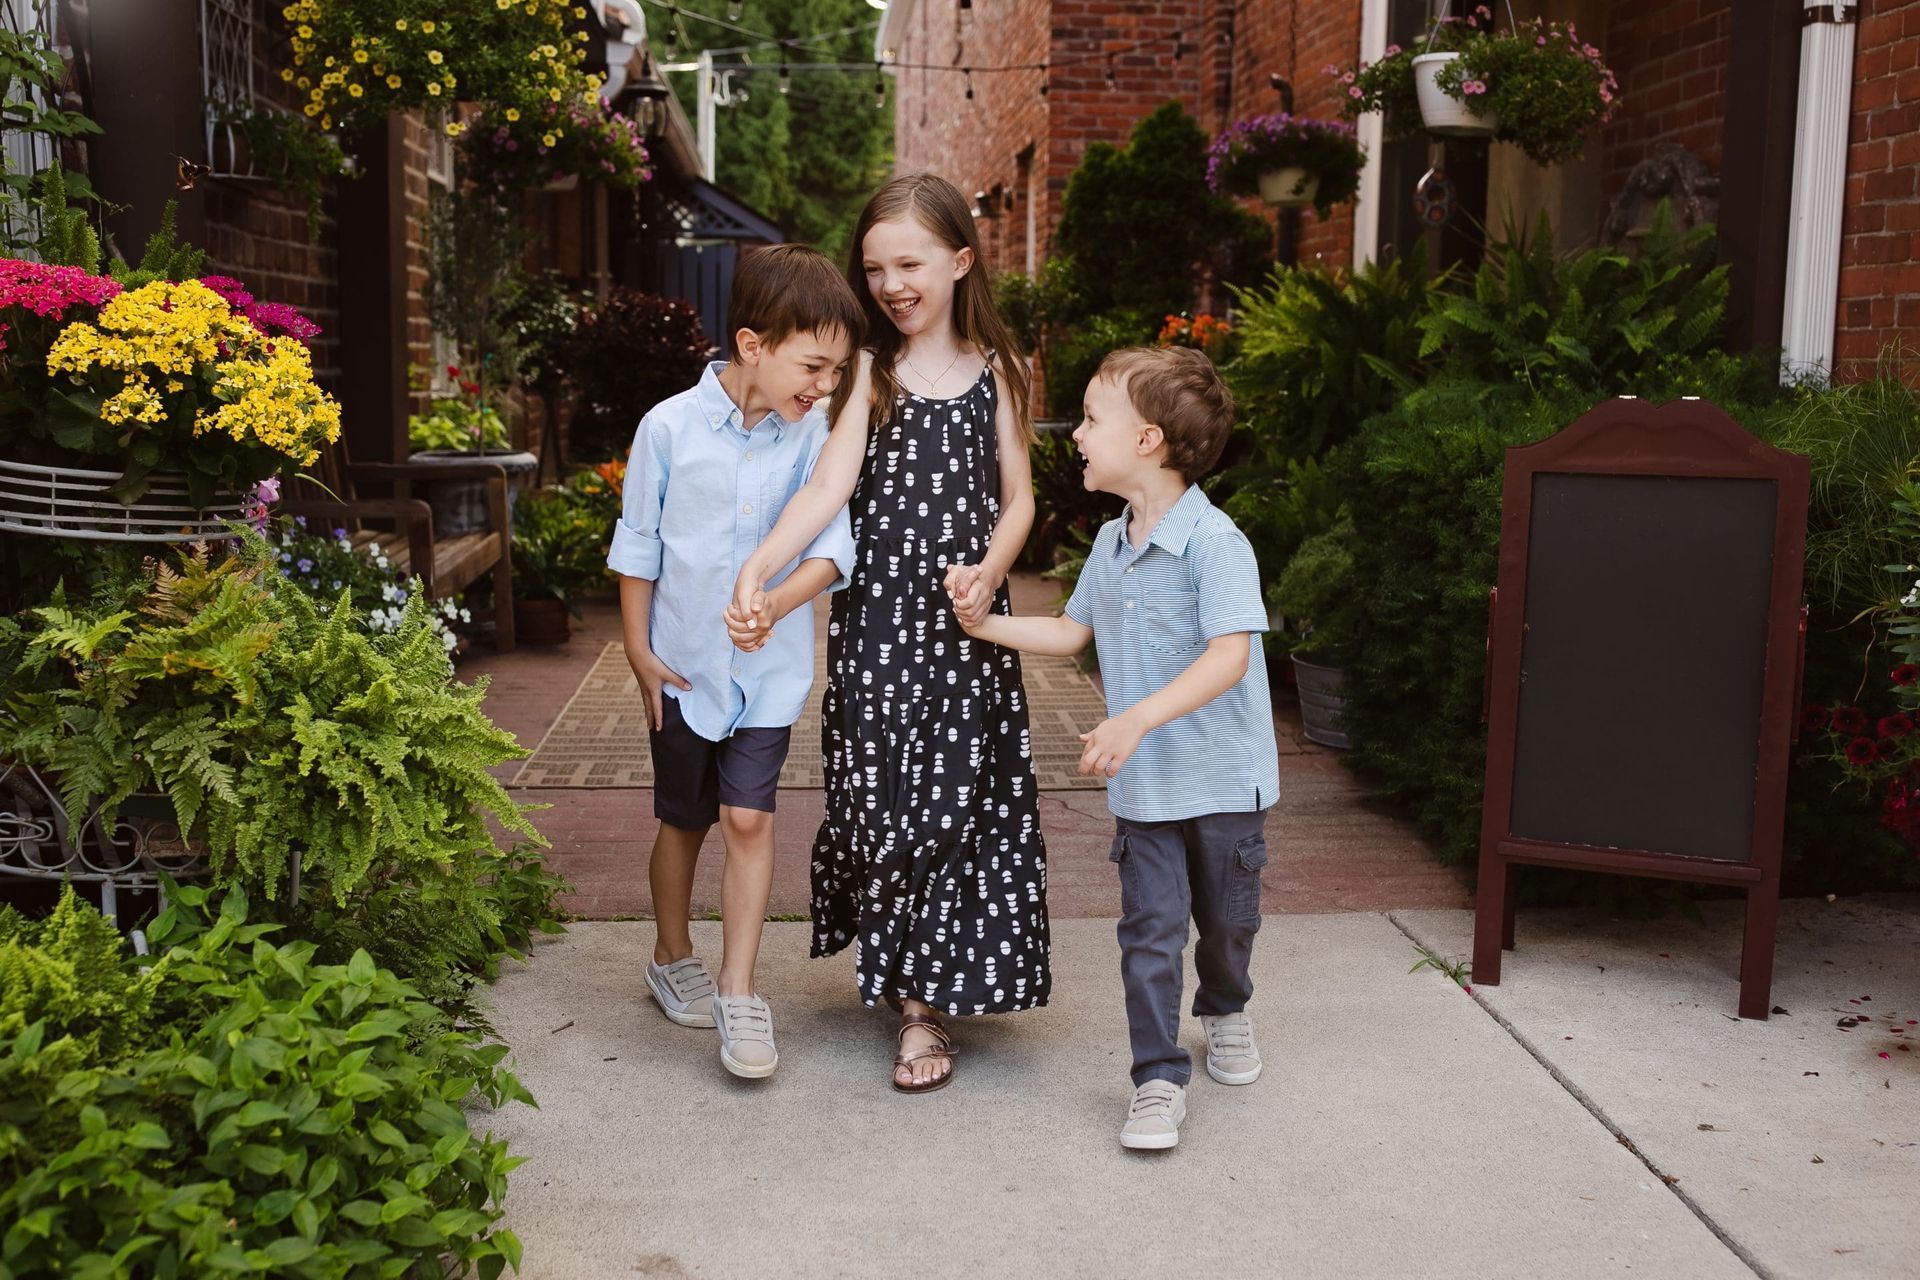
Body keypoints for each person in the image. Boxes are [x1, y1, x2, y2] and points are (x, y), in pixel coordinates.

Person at [726, 174, 1049, 1093]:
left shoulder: (1002, 369)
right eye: (874, 268)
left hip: (969, 626)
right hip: (879, 631)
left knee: (960, 805)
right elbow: (828, 491)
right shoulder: (867, 371)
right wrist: (763, 572)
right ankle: (912, 991)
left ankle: (924, 1009)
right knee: (885, 802)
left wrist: (991, 568)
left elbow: (1019, 496)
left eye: (909, 262)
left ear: (959, 258)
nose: (891, 283)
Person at [948, 346, 1280, 1149]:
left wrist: (1135, 719)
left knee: (1229, 927)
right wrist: (981, 623)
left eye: (1094, 419)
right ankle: (1158, 1078)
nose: (1080, 435)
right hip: (1147, 790)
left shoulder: (1215, 543)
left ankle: (1226, 1007)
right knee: (1151, 933)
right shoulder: (1110, 544)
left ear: (1149, 441)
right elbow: (1070, 632)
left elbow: (1228, 656)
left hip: (1226, 782)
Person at [608, 243, 863, 1079]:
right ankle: (670, 955)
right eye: (814, 366)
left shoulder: (816, 436)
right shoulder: (668, 429)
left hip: (769, 674)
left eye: (836, 371)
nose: (825, 387)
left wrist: (775, 607)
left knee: (749, 818)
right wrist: (640, 652)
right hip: (681, 670)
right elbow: (638, 547)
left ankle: (739, 989)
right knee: (683, 821)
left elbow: (830, 550)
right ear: (754, 345)